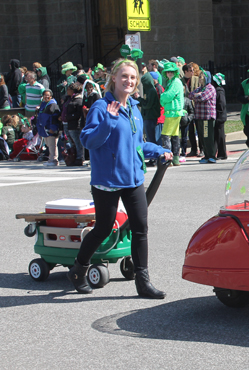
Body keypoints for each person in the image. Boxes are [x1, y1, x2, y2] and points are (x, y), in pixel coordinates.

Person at [75, 58, 172, 298]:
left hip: (133, 180)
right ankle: (78, 269)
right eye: (124, 76)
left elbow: (137, 144)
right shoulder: (101, 106)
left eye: (132, 77)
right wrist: (107, 123)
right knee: (103, 229)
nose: (129, 81)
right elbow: (88, 141)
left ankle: (143, 281)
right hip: (106, 182)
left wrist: (159, 150)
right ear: (114, 79)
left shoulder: (135, 109)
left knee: (140, 228)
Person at [159, 62, 185, 166]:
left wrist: (162, 98)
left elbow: (168, 96)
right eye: (168, 71)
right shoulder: (173, 82)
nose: (169, 73)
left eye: (171, 71)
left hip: (172, 112)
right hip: (174, 112)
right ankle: (175, 158)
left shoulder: (175, 82)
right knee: (175, 136)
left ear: (175, 72)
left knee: (165, 135)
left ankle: (169, 158)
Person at [189, 70, 217, 164]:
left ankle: (211, 155)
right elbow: (190, 95)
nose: (200, 79)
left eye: (201, 77)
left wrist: (197, 96)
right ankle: (206, 155)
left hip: (207, 117)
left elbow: (203, 97)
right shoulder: (200, 89)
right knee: (202, 137)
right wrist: (197, 94)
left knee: (207, 136)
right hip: (199, 117)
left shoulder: (210, 88)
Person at [135, 71, 162, 150]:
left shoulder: (151, 91)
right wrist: (139, 100)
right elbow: (145, 104)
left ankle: (155, 157)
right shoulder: (149, 91)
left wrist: (139, 98)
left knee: (152, 138)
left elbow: (147, 105)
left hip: (151, 117)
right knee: (150, 138)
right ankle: (153, 158)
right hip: (148, 117)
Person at [37, 89, 61, 166]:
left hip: (51, 128)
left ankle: (54, 160)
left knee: (52, 145)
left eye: (48, 95)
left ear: (51, 96)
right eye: (45, 95)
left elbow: (55, 118)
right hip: (45, 128)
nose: (46, 96)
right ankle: (50, 159)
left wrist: (53, 128)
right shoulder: (43, 104)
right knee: (48, 145)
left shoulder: (53, 105)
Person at [64, 82, 84, 166]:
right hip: (70, 124)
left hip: (76, 124)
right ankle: (74, 157)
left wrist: (70, 116)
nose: (67, 91)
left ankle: (80, 158)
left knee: (78, 142)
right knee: (72, 143)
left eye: (69, 89)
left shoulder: (78, 100)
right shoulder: (70, 99)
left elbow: (79, 113)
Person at [213, 72, 228, 160]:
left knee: (220, 136)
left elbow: (221, 104)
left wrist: (218, 114)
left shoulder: (219, 91)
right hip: (219, 116)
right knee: (216, 135)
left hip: (220, 117)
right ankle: (215, 152)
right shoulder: (218, 90)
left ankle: (222, 154)